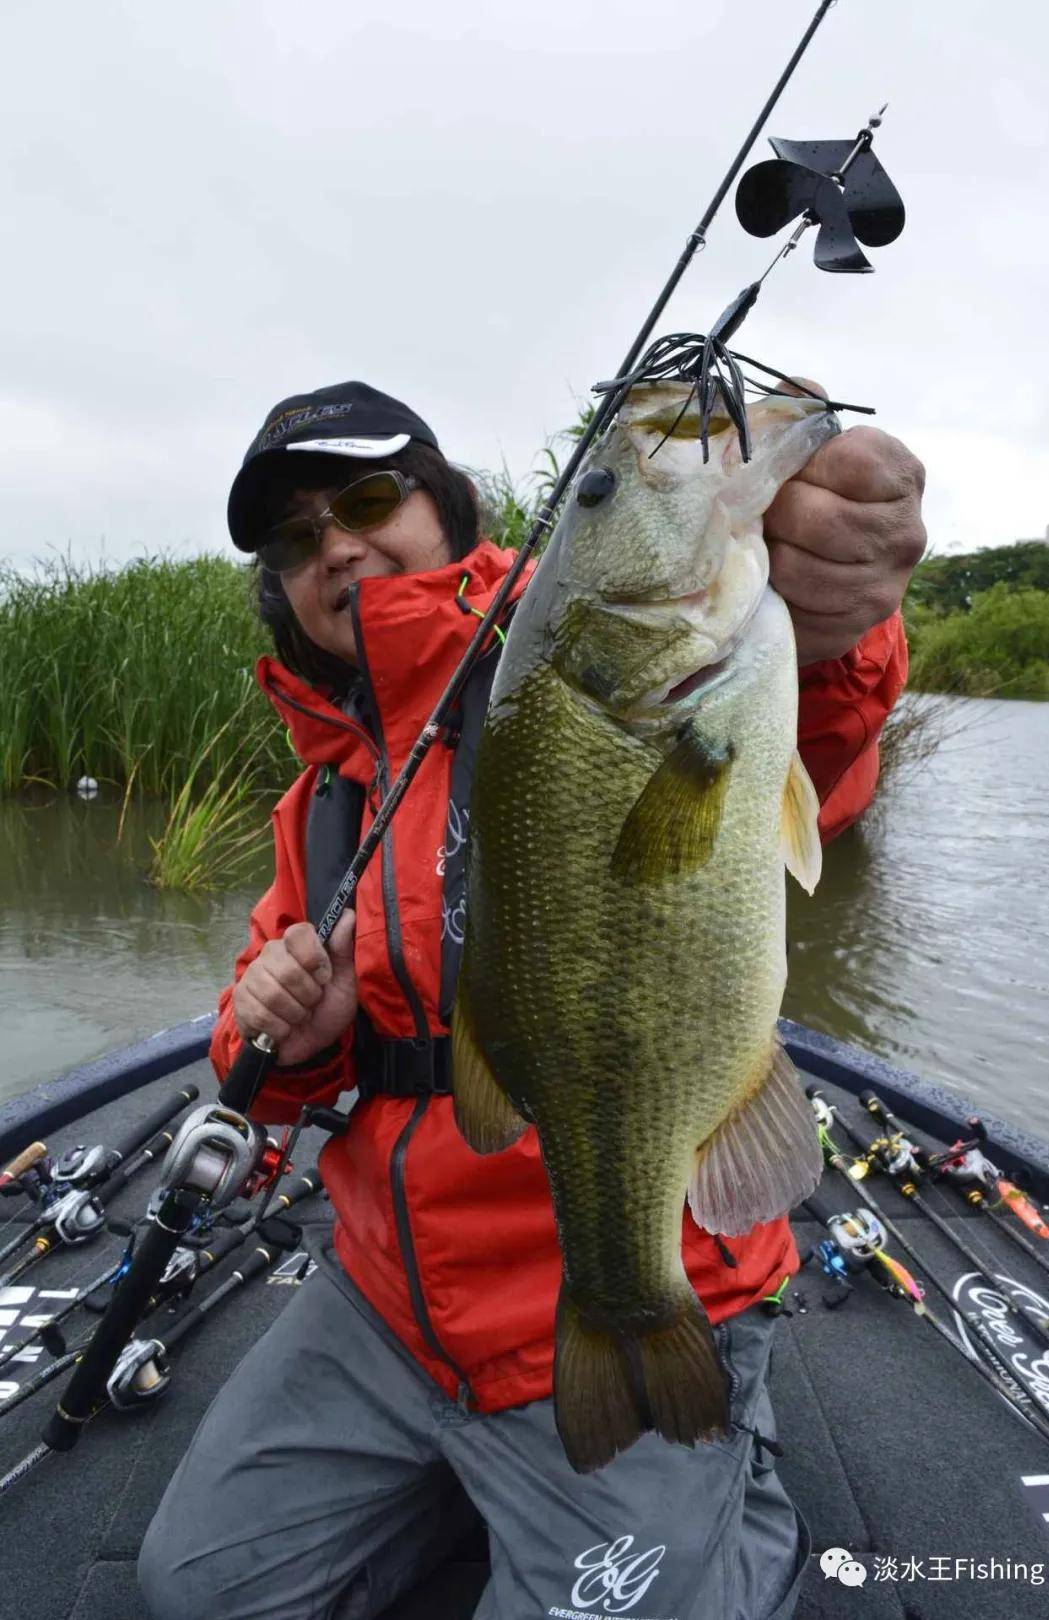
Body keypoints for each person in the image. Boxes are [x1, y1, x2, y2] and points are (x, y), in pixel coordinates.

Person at [138, 379, 926, 1620]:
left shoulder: (577, 665)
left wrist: (837, 620)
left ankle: (728, 1514)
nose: (335, 540)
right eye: (297, 538)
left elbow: (819, 739)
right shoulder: (324, 800)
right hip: (388, 1295)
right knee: (194, 1592)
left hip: (639, 1246)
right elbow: (277, 1077)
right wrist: (276, 1027)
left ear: (447, 508)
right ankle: (483, 1463)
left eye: (367, 497)